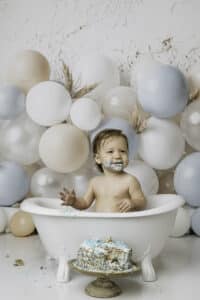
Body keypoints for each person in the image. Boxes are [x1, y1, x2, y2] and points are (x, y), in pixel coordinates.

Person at [60, 129, 146, 213]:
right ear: (98, 158)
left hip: (121, 225)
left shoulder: (130, 180)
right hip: (100, 224)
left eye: (123, 151)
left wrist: (133, 203)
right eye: (110, 151)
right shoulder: (95, 182)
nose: (117, 155)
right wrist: (74, 202)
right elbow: (85, 203)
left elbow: (142, 202)